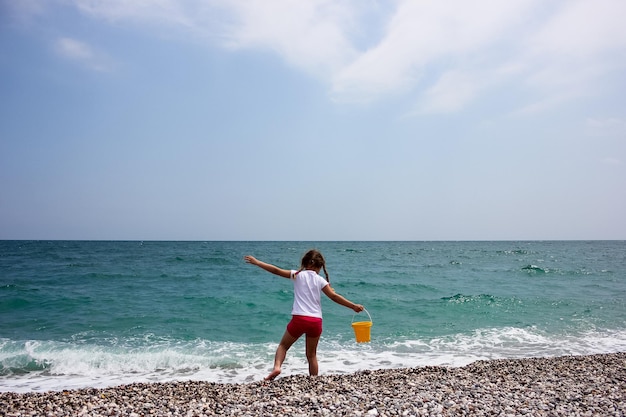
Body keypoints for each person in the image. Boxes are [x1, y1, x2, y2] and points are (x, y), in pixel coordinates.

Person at [244, 249, 364, 381]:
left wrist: (257, 262)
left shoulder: (297, 275)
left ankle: (277, 367)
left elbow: (276, 270)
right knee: (311, 355)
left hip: (299, 319)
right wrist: (353, 306)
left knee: (283, 346)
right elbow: (334, 297)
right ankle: (314, 381)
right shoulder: (320, 280)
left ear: (306, 263)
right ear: (317, 266)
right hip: (316, 321)